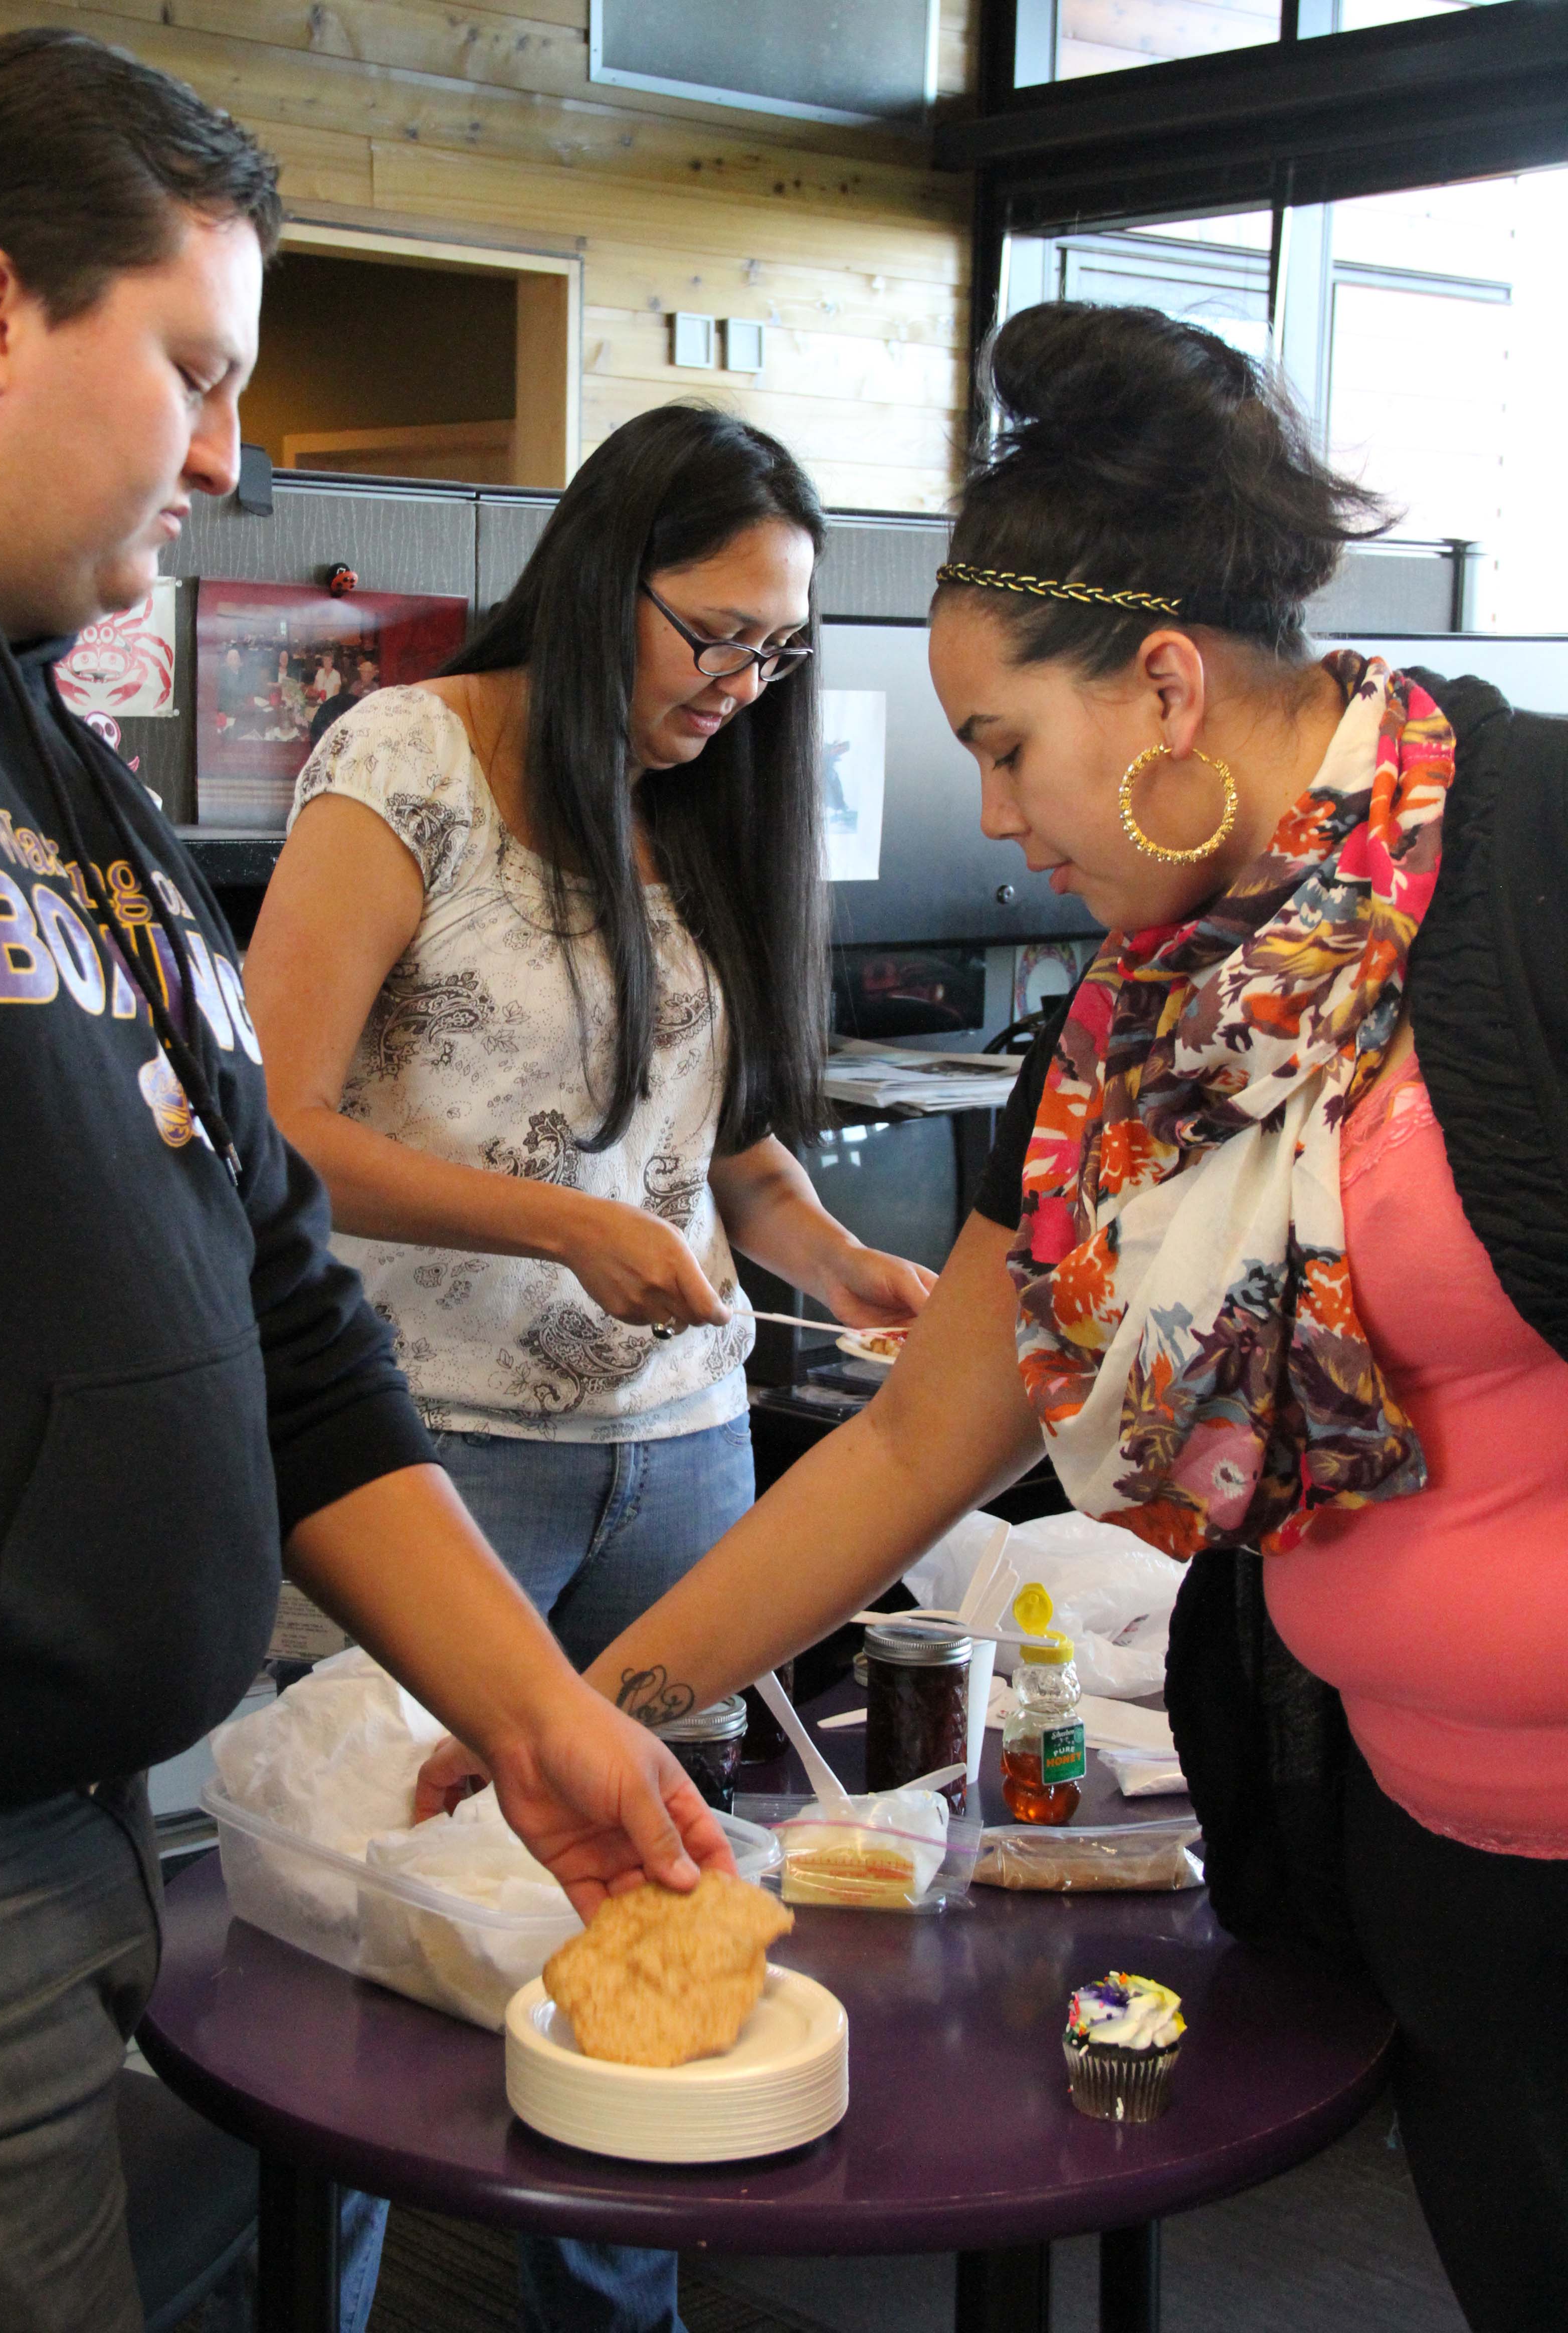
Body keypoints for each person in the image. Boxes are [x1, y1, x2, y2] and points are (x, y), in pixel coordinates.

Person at [424, 300, 1568, 2333]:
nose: (1001, 811)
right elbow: (901, 1442)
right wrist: (596, 1706)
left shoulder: (1532, 870)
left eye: (1001, 747)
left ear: (1164, 685)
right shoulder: (1131, 1042)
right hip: (1434, 1864)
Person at [0, 33, 733, 2333]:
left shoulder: (50, 754)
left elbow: (290, 1333)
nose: (235, 457)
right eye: (200, 372)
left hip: (84, 1827)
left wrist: (538, 1715)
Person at [246, 402, 935, 2332]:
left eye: (780, 650)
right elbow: (274, 1123)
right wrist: (559, 1222)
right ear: (601, 579)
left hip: (680, 1459)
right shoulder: (411, 756)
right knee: (376, 1965)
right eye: (714, 632)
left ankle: (614, 2313)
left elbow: (721, 1153)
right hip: (429, 1456)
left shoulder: (701, 802)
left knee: (645, 1931)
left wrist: (839, 1262)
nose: (745, 683)